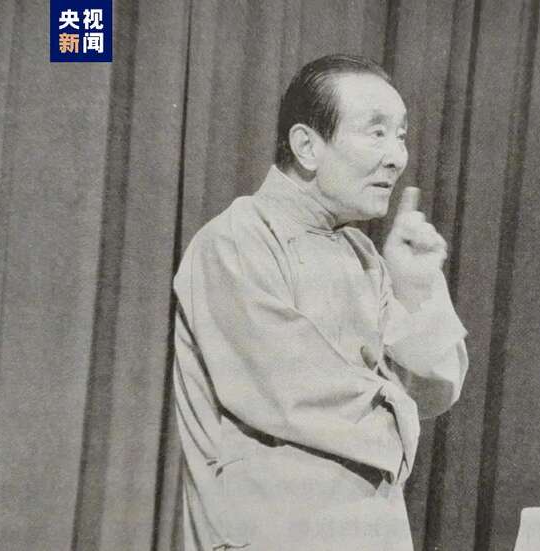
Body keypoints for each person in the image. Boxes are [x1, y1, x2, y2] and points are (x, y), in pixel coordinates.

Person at [172, 54, 469, 551]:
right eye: (376, 132)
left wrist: (415, 285)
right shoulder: (236, 241)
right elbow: (295, 391)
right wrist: (394, 397)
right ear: (307, 146)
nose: (397, 157)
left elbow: (433, 391)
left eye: (400, 135)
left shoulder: (362, 254)